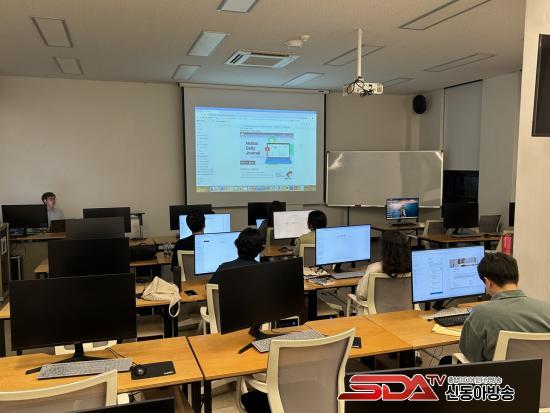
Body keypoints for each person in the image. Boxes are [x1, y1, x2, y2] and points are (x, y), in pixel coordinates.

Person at [459, 253, 550, 362]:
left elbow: (471, 355)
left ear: (487, 282)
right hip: (542, 372)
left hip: (498, 373)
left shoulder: (481, 313)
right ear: (517, 276)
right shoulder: (547, 308)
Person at [355, 231, 411, 300]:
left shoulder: (374, 268)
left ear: (384, 249)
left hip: (378, 307)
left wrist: (361, 282)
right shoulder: (413, 268)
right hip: (406, 306)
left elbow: (362, 295)